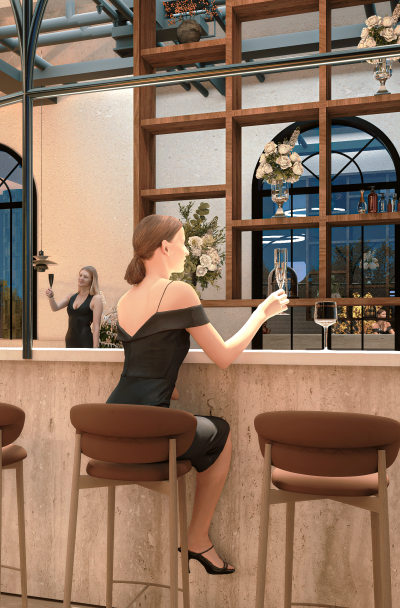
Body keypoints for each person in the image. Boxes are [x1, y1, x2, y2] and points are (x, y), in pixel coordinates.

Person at [109, 214, 289, 574]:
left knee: (205, 430)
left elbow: (145, 362)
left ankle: (197, 540)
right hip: (150, 430)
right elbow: (222, 356)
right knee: (220, 432)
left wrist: (166, 386)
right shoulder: (178, 291)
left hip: (113, 421)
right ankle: (197, 538)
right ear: (164, 247)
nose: (187, 251)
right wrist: (260, 314)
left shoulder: (125, 299)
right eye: (184, 242)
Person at [44, 265, 105, 348]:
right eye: (80, 275)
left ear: (92, 280)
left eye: (85, 277)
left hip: (85, 340)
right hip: (70, 339)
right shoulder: (70, 297)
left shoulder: (96, 299)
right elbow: (55, 308)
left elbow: (96, 327)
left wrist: (95, 349)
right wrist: (51, 297)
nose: (81, 278)